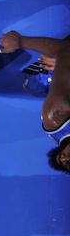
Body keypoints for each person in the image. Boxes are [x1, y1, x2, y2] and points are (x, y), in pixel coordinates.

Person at [40, 38, 70, 174]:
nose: (66, 158)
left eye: (62, 159)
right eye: (68, 163)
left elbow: (65, 49)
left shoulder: (54, 118)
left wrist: (20, 41)